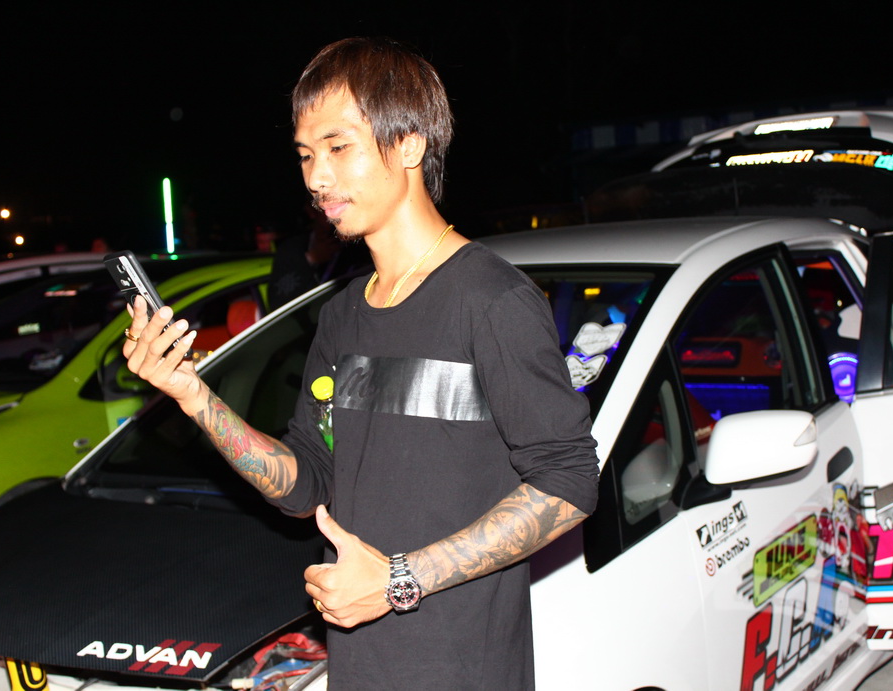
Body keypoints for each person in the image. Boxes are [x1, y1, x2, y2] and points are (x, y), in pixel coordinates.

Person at [122, 36, 599, 690]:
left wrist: (398, 580)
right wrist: (193, 395)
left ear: (409, 145)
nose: (316, 177)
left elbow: (569, 481)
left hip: (461, 671)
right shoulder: (343, 313)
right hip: (358, 666)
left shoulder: (491, 300)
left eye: (338, 147)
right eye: (305, 154)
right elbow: (304, 484)